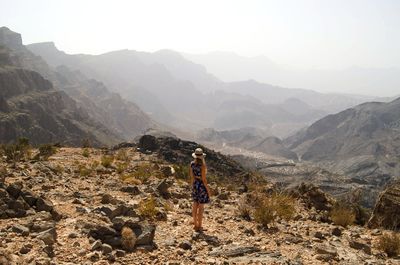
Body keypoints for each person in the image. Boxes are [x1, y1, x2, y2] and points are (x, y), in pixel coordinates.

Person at [189, 148, 211, 232]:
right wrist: (208, 190)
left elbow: (192, 176)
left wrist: (193, 186)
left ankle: (195, 224)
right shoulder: (203, 166)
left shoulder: (191, 164)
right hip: (201, 185)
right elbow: (204, 180)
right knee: (201, 207)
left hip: (195, 185)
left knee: (195, 204)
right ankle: (200, 226)